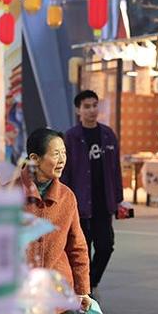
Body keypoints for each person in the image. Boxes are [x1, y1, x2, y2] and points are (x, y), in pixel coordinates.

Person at [22, 128, 92, 314]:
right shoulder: (10, 194)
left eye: (64, 153)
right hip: (22, 294)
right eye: (55, 154)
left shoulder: (67, 197)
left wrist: (82, 290)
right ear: (34, 158)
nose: (62, 160)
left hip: (59, 293)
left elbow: (77, 246)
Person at [61, 91, 123, 298]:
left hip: (103, 203)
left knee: (106, 246)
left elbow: (115, 168)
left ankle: (92, 281)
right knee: (82, 249)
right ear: (78, 110)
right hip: (79, 206)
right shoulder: (70, 137)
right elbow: (65, 172)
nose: (92, 110)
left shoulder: (107, 134)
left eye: (95, 105)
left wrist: (119, 198)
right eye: (87, 106)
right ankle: (82, 288)